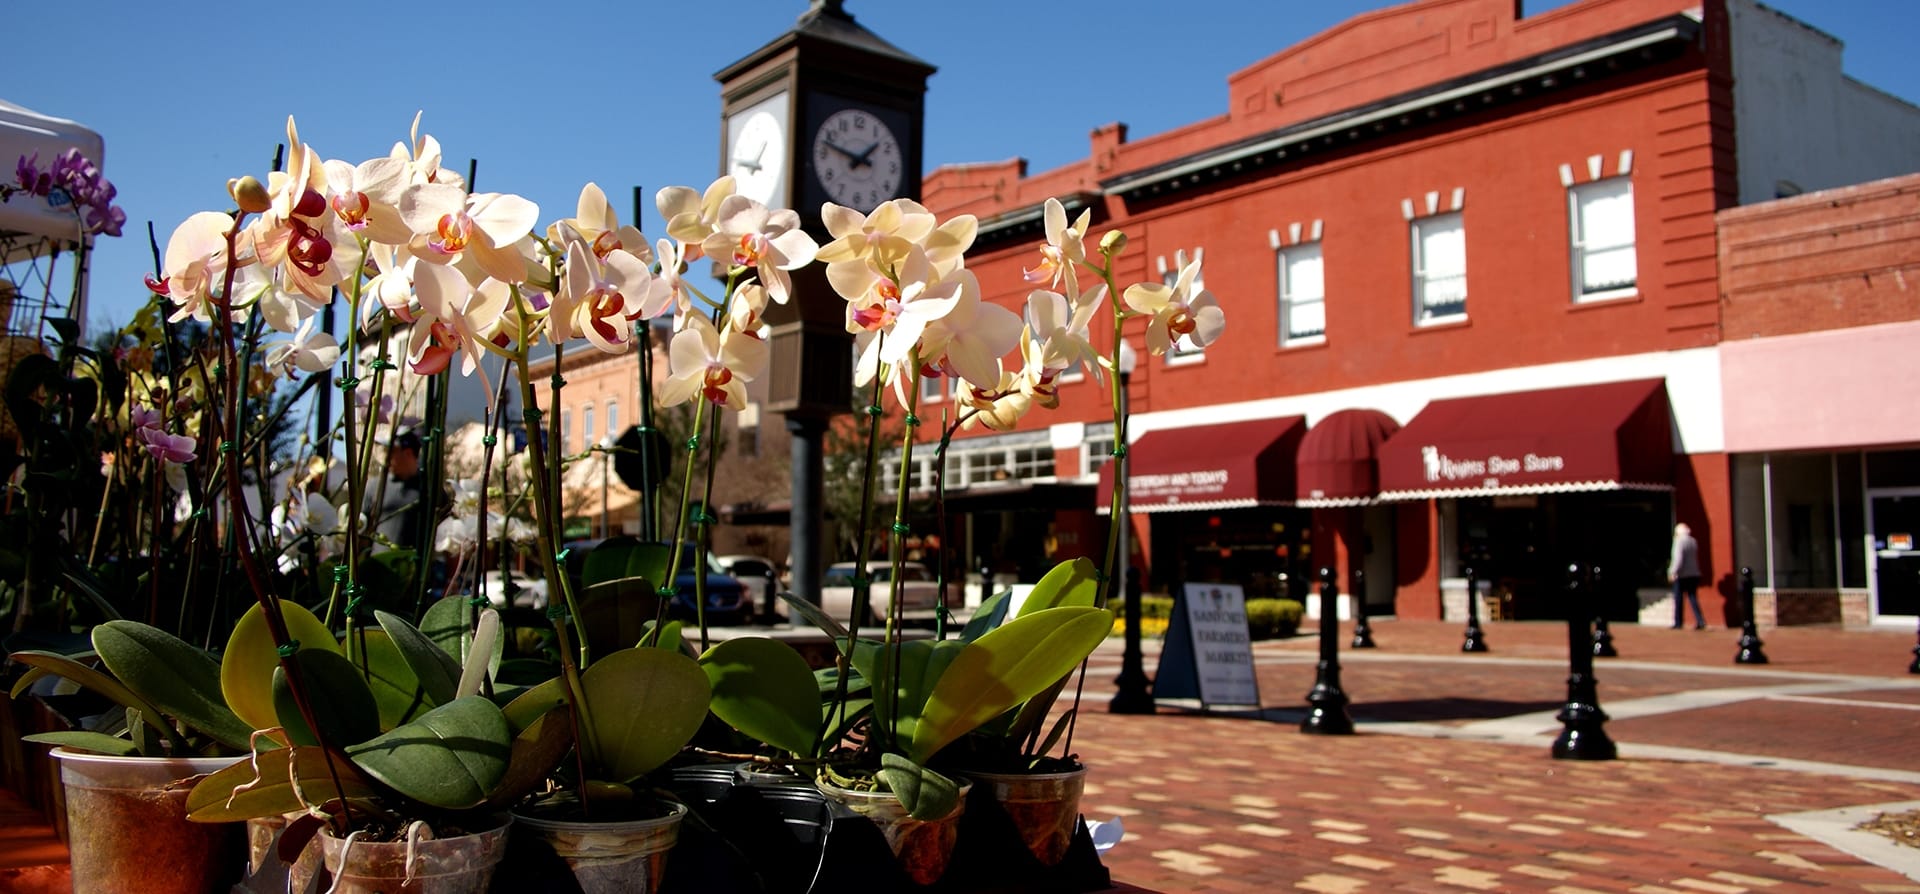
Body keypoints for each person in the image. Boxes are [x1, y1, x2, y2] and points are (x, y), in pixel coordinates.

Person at [369, 429, 424, 553]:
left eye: (391, 451)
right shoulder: (375, 486)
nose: (386, 457)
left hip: (416, 568)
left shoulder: (429, 487)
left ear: (408, 453)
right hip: (379, 567)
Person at [1668, 522, 1704, 630]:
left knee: (1678, 598)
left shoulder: (1679, 542)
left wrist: (1672, 571)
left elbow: (1678, 559)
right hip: (1694, 574)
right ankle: (1700, 620)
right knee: (1693, 597)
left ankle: (1678, 622)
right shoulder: (1693, 541)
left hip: (1682, 575)